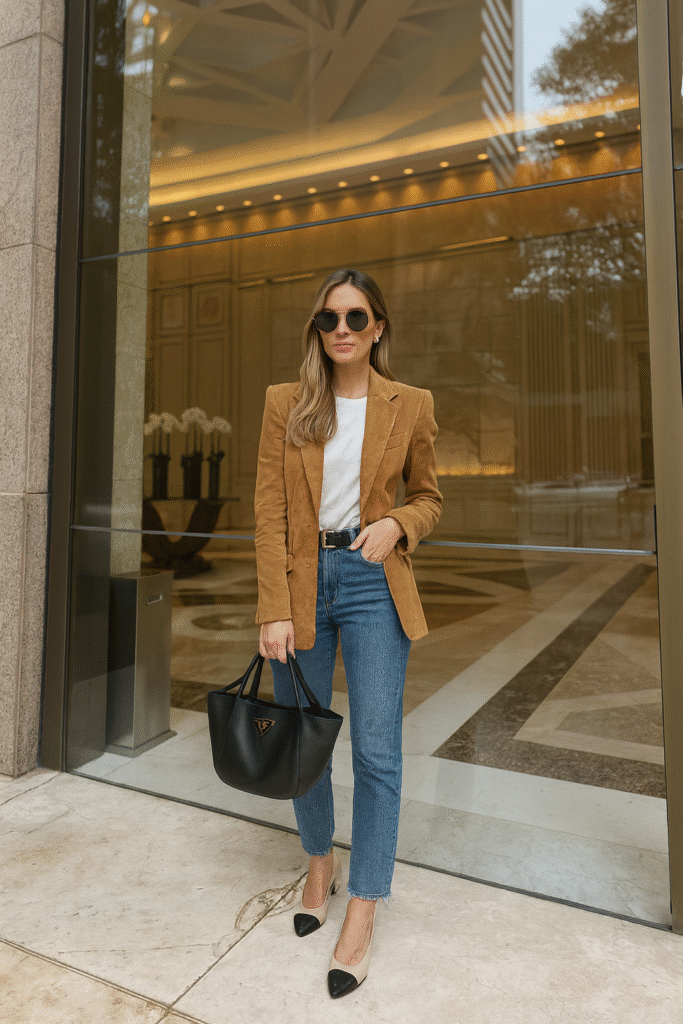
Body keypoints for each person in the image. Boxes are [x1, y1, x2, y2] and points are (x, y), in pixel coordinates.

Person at [254, 268, 442, 998]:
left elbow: (428, 496)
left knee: (374, 752)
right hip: (300, 586)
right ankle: (318, 863)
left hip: (372, 584)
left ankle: (363, 902)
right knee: (302, 739)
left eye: (354, 318)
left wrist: (398, 522)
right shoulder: (286, 403)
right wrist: (273, 605)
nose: (340, 329)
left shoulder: (410, 405)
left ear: (377, 328)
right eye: (328, 318)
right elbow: (268, 511)